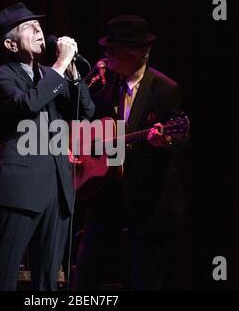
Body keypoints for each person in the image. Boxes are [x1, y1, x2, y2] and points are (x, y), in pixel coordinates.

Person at [72, 15, 189, 290]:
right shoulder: (105, 82)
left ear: (133, 54)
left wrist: (165, 141)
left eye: (112, 51)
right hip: (106, 192)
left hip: (147, 198)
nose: (106, 56)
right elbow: (88, 122)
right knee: (86, 268)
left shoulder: (164, 89)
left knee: (143, 276)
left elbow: (181, 135)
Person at [0, 2, 95, 291]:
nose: (38, 29)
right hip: (20, 189)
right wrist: (59, 67)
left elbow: (85, 112)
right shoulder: (0, 77)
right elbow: (28, 103)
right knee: (3, 275)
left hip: (58, 189)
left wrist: (71, 74)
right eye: (27, 27)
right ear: (10, 44)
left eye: (39, 25)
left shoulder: (52, 76)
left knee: (49, 280)